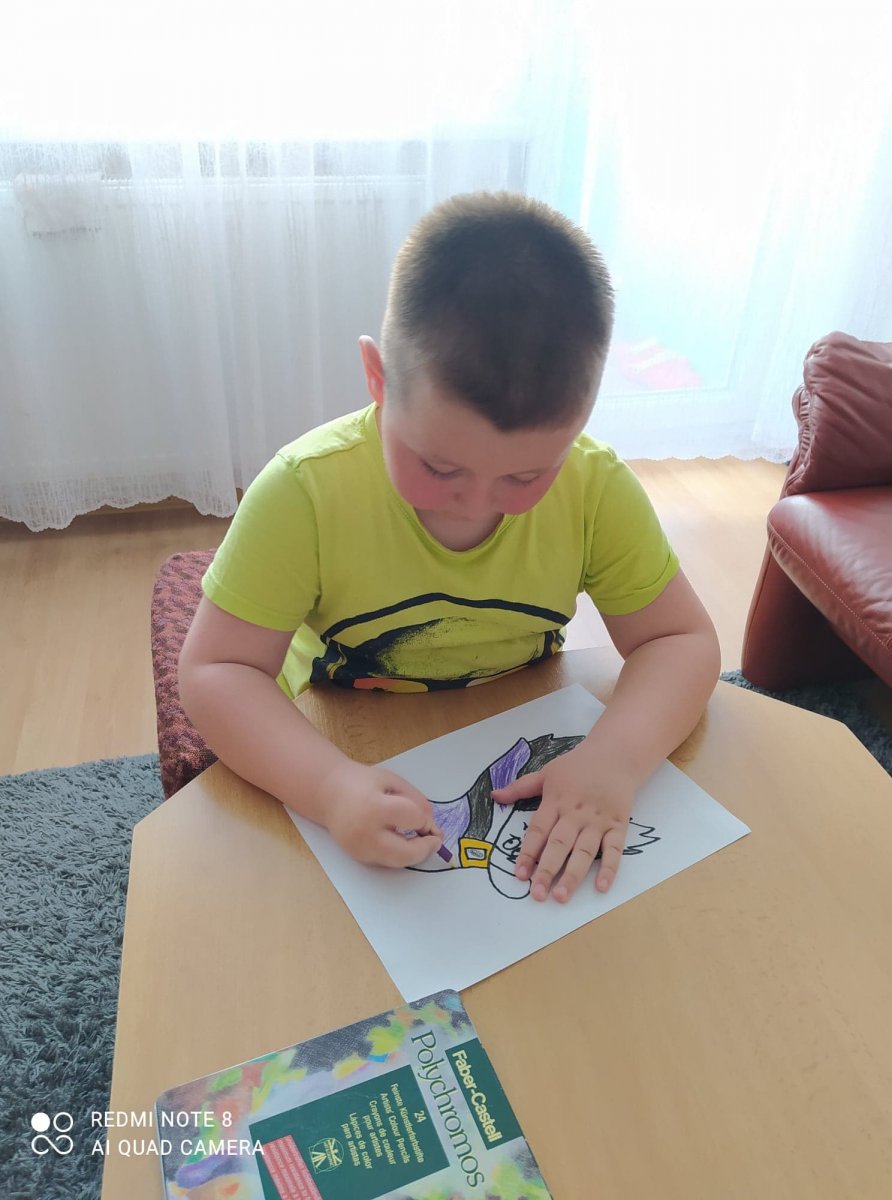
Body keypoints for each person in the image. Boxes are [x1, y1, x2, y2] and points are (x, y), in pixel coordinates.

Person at [178, 191, 721, 904]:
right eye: (439, 467)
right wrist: (329, 786)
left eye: (524, 477)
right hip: (333, 735)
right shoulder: (304, 491)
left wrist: (615, 759)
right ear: (378, 379)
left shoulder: (593, 487)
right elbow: (217, 671)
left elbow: (681, 640)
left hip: (515, 734)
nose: (475, 502)